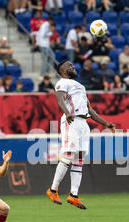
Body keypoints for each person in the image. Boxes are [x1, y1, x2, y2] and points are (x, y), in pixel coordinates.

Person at [46, 60, 115, 209]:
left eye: (73, 65)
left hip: (83, 123)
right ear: (63, 70)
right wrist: (67, 112)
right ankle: (53, 190)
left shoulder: (80, 86)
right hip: (72, 120)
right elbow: (60, 99)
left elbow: (90, 110)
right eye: (69, 65)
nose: (73, 67)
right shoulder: (62, 82)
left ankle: (73, 195)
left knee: (79, 159)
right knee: (69, 155)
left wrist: (105, 123)